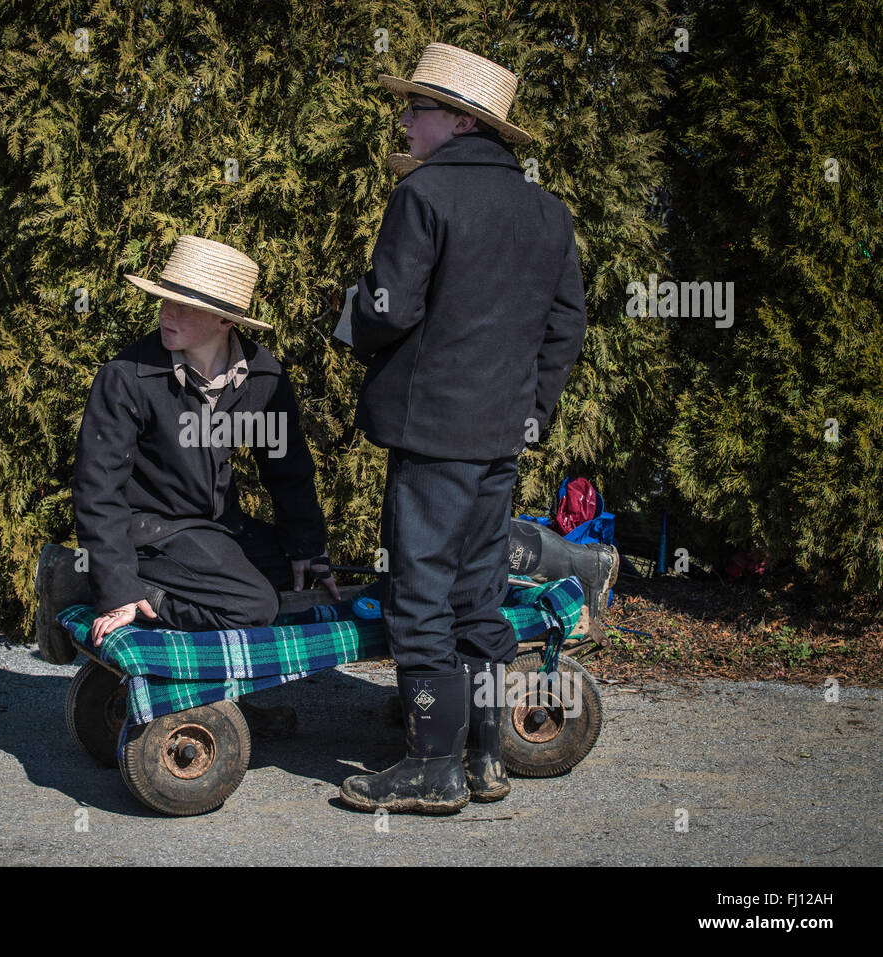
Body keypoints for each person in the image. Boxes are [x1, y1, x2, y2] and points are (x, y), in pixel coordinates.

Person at [339, 44, 596, 813]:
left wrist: (347, 316)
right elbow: (567, 326)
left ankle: (429, 766)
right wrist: (532, 409)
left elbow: (392, 308)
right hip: (499, 440)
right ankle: (484, 756)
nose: (406, 122)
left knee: (419, 597)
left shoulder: (425, 196)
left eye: (416, 109)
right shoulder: (547, 211)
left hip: (432, 434)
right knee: (478, 598)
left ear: (456, 119)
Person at [35, 235, 341, 736]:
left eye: (185, 305)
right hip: (148, 530)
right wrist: (119, 588)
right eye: (165, 299)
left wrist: (308, 547)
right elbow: (97, 488)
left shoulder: (263, 377)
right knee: (252, 605)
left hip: (214, 528)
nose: (167, 314)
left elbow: (287, 468)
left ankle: (226, 697)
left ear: (227, 321)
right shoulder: (128, 376)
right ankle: (119, 584)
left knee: (289, 577)